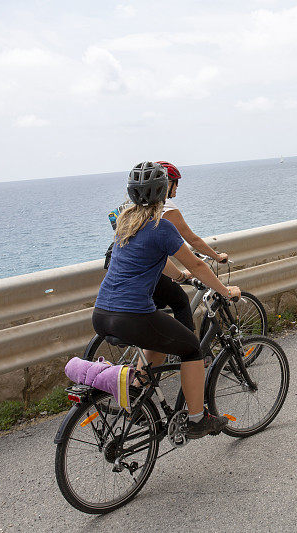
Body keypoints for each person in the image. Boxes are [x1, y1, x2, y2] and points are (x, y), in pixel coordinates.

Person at [93, 161, 242, 439]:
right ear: (163, 190)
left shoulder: (125, 221)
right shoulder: (161, 226)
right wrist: (224, 290)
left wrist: (178, 276)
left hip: (102, 314)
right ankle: (197, 419)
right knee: (190, 347)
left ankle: (137, 398)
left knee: (158, 339)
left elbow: (159, 261)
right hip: (132, 316)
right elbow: (199, 265)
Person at [105, 161, 228, 334]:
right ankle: (189, 346)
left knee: (159, 310)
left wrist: (178, 275)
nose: (177, 188)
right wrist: (216, 258)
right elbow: (193, 242)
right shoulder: (167, 212)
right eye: (176, 183)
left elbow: (151, 253)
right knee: (180, 301)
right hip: (136, 292)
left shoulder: (131, 211)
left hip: (113, 286)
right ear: (166, 185)